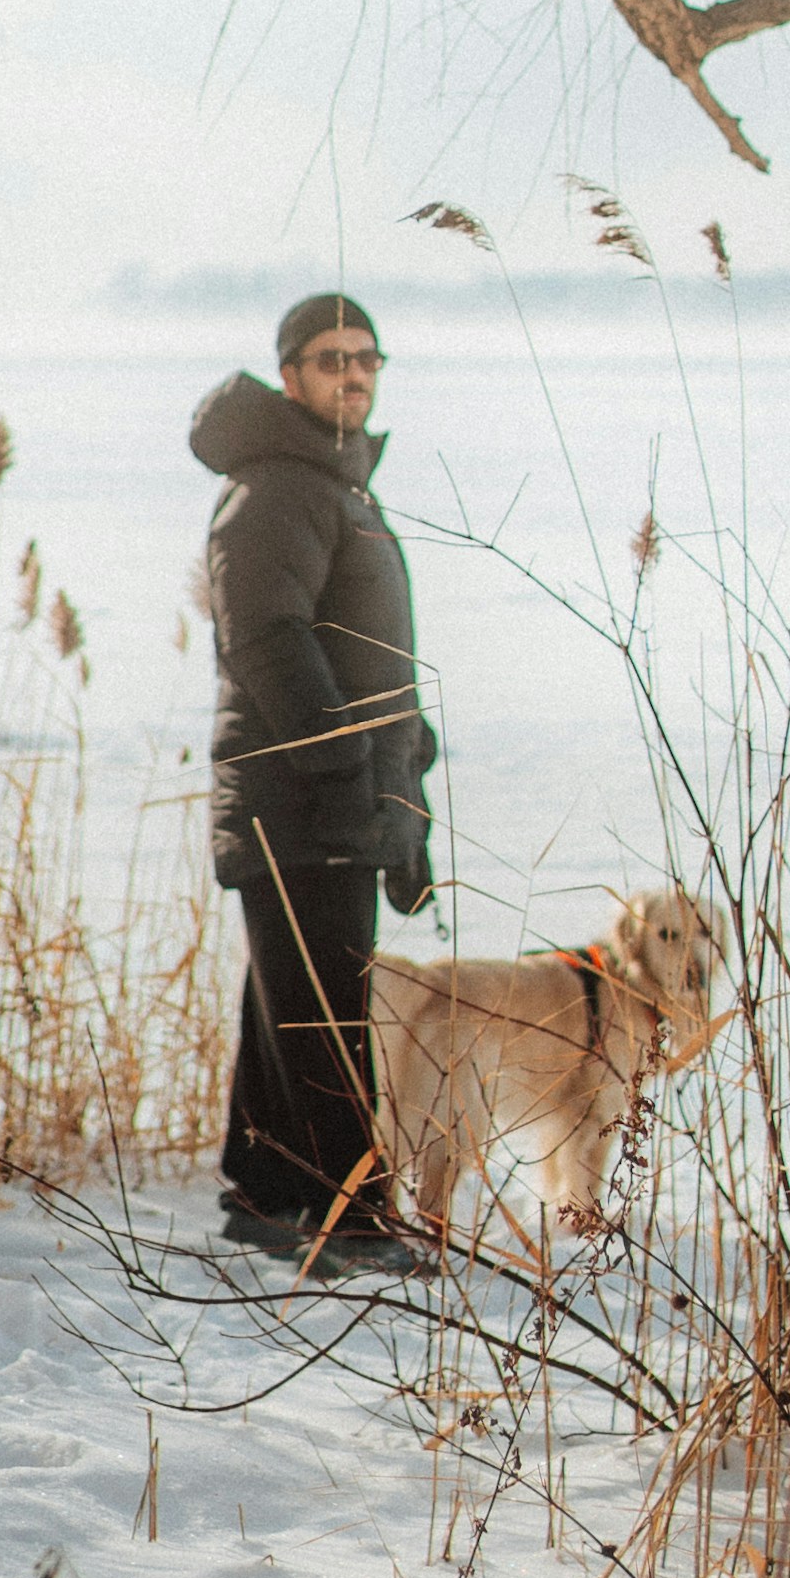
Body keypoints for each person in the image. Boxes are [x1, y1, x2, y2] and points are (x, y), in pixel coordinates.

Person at [191, 291, 439, 1261]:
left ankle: (265, 1190)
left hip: (339, 796)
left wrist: (404, 792)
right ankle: (351, 1219)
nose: (354, 373)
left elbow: (367, 653)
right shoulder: (274, 489)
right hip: (296, 797)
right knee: (328, 1009)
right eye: (332, 358)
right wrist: (341, 762)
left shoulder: (330, 488)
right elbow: (265, 639)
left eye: (367, 357)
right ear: (288, 375)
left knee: (289, 998)